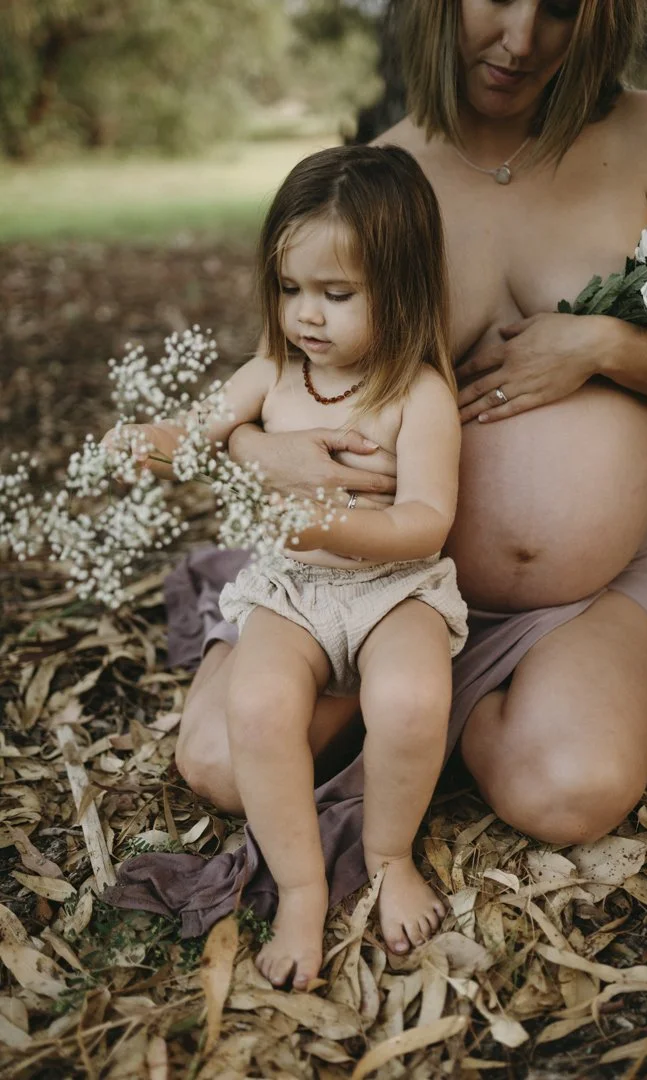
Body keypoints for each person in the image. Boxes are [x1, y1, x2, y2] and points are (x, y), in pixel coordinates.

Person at [172, 0, 647, 849]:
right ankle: (393, 701)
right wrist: (255, 448)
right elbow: (278, 373)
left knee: (566, 796)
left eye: (559, 8)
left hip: (577, 597)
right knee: (220, 765)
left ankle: (442, 723)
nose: (520, 39)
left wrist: (602, 345)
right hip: (370, 587)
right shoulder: (383, 176)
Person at [105, 145, 468, 988]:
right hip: (293, 592)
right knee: (260, 706)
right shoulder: (271, 373)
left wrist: (335, 525)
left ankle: (387, 856)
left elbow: (427, 519)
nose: (307, 314)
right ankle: (302, 887)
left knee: (410, 699)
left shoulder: (417, 395)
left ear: (400, 287)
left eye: (337, 294)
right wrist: (143, 443)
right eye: (290, 287)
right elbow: (195, 434)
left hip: (393, 590)